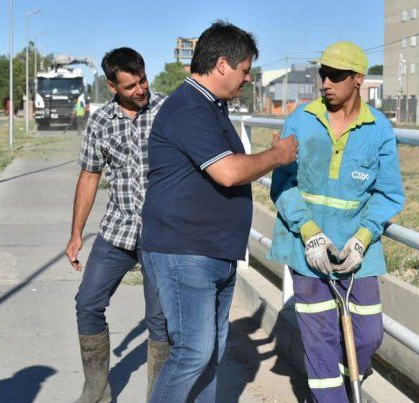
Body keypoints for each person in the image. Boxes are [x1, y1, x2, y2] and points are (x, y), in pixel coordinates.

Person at [140, 20, 297, 402]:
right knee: (192, 353)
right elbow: (227, 172)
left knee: (210, 355)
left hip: (212, 251)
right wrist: (277, 155)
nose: (247, 80)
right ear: (222, 64)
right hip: (185, 251)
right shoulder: (189, 108)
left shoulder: (211, 108)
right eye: (245, 71)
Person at [268, 41, 404, 402]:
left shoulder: (378, 129)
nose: (325, 82)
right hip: (307, 250)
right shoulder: (301, 120)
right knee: (321, 342)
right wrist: (309, 233)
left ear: (358, 79)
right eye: (322, 74)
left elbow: (389, 194)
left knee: (367, 336)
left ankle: (346, 388)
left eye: (336, 76)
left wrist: (362, 238)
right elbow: (283, 183)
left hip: (358, 253)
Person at [64, 47, 169, 403]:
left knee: (160, 322)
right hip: (117, 229)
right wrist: (76, 233)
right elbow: (90, 176)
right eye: (130, 86)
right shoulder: (100, 122)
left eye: (142, 80)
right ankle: (97, 388)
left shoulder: (166, 111)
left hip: (162, 235)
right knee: (87, 303)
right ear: (112, 86)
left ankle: (159, 396)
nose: (141, 90)